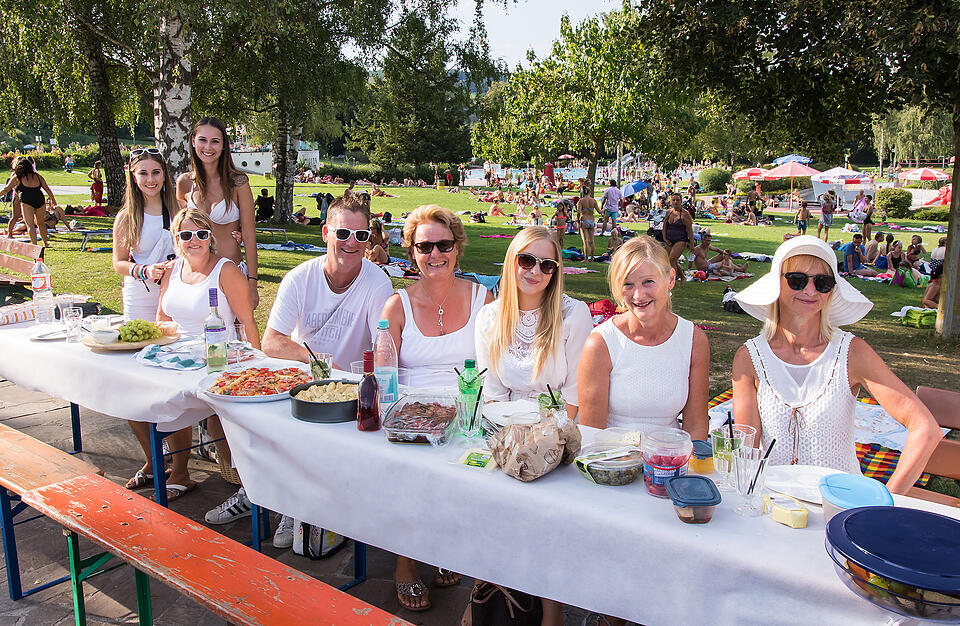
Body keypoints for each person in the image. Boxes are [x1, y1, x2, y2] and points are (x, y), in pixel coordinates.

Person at [731, 236, 941, 493]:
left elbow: (925, 427)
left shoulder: (851, 353)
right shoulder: (750, 357)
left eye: (822, 283)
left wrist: (886, 502)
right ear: (777, 284)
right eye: (797, 280)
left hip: (841, 508)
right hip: (773, 505)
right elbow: (746, 449)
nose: (810, 291)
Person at [251, 196, 393, 546]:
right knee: (264, 426)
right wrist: (318, 363)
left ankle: (304, 510)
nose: (351, 243)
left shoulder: (377, 282)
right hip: (305, 382)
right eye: (343, 232)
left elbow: (383, 346)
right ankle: (272, 499)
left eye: (361, 236)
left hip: (350, 387)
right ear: (326, 233)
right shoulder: (301, 278)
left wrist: (354, 378)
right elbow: (271, 342)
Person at [473, 226, 591, 624]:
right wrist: (507, 440)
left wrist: (545, 444)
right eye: (526, 260)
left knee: (546, 511)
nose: (535, 271)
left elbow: (574, 396)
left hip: (556, 434)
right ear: (512, 261)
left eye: (546, 264)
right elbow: (490, 391)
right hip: (503, 432)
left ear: (556, 271)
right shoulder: (491, 316)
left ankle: (552, 609)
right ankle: (485, 592)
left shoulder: (573, 315)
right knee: (484, 497)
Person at [380, 204, 492, 611]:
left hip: (468, 412)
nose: (435, 254)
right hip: (412, 417)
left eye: (444, 244)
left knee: (472, 466)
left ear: (458, 249)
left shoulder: (484, 298)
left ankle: (449, 549)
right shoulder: (397, 306)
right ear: (411, 251)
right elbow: (384, 374)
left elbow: (493, 364)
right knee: (414, 471)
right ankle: (406, 564)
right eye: (425, 246)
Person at [154, 208, 260, 501]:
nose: (194, 240)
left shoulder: (225, 270)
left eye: (200, 233)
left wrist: (260, 363)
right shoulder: (172, 270)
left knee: (215, 417)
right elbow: (161, 316)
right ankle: (178, 471)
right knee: (154, 399)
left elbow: (247, 321)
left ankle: (246, 481)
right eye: (186, 235)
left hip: (218, 358)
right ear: (177, 238)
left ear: (209, 236)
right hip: (177, 356)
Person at [578, 235, 709, 435]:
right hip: (612, 461)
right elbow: (591, 434)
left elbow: (696, 426)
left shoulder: (693, 340)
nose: (638, 295)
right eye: (628, 284)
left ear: (670, 279)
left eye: (648, 282)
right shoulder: (601, 343)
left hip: (671, 460)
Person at [177, 116, 259, 309]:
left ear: (224, 145)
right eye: (203, 140)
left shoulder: (238, 182)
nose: (208, 147)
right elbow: (179, 234)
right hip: (196, 275)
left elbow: (248, 235)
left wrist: (253, 282)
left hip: (232, 271)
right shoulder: (184, 182)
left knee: (237, 334)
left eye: (215, 141)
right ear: (193, 141)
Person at [0, 156, 56, 246]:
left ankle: (34, 245)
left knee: (30, 225)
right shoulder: (37, 176)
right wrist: (53, 199)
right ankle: (45, 243)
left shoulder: (18, 177)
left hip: (27, 201)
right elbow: (47, 189)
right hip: (39, 199)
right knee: (41, 223)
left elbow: (6, 189)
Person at [663, 193, 694, 284]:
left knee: (672, 259)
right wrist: (665, 238)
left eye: (677, 200)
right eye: (674, 200)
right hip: (669, 239)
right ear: (670, 201)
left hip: (681, 240)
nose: (675, 202)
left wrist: (692, 245)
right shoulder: (668, 212)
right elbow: (664, 226)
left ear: (681, 201)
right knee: (671, 261)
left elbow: (690, 231)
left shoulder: (685, 214)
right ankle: (682, 277)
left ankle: (671, 281)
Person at [576, 184, 599, 261]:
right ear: (590, 192)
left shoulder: (581, 201)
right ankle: (592, 258)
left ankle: (586, 259)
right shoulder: (593, 201)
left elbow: (579, 211)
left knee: (585, 241)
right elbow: (599, 211)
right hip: (592, 220)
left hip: (584, 219)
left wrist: (577, 219)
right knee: (592, 241)